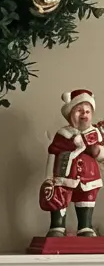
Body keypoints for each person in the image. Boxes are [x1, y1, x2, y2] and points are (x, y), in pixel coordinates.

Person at [40, 89, 104, 237]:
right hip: (64, 174)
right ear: (70, 114)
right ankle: (57, 226)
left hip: (89, 177)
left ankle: (85, 226)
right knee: (58, 198)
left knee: (86, 200)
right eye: (79, 111)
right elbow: (53, 154)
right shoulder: (63, 134)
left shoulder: (96, 133)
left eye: (88, 111)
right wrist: (48, 177)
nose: (84, 115)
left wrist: (98, 151)